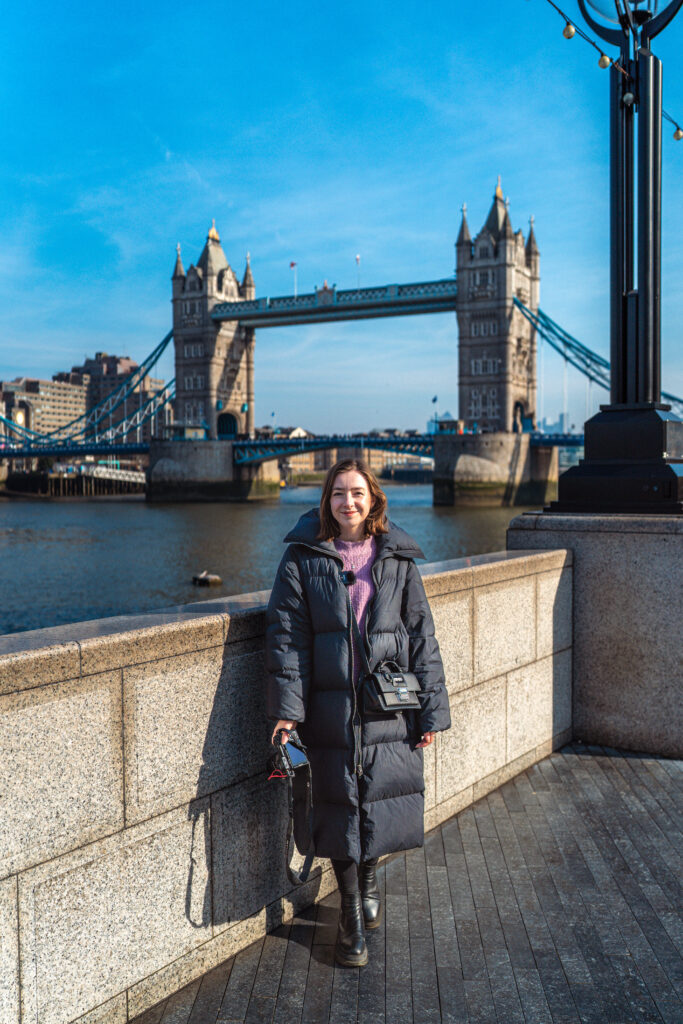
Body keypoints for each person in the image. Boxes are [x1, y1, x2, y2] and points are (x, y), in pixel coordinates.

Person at [265, 458, 451, 967]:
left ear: (373, 501)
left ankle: (369, 878)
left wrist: (430, 713)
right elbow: (286, 639)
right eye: (338, 494)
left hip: (386, 707)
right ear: (326, 501)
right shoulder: (301, 559)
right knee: (340, 803)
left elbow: (421, 636)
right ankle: (350, 912)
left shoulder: (398, 558)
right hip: (328, 708)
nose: (348, 502)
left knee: (378, 801)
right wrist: (286, 712)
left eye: (357, 493)